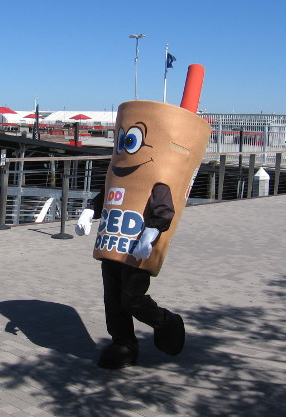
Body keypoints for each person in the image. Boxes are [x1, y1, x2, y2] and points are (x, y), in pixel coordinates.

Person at [75, 100, 210, 370]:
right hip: (112, 242)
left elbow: (164, 210)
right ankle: (123, 343)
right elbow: (109, 194)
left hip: (137, 247)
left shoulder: (158, 178)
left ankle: (166, 321)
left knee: (132, 299)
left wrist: (150, 234)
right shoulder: (118, 174)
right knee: (112, 299)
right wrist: (90, 211)